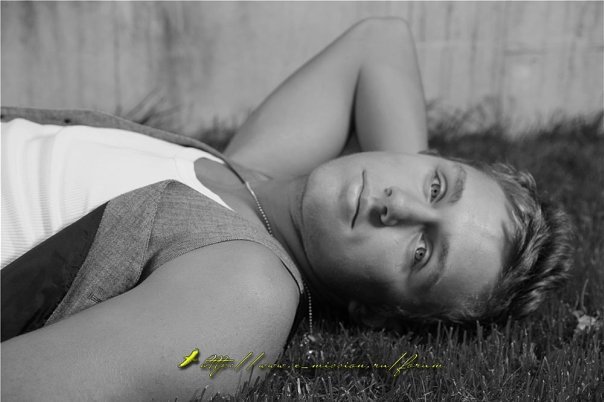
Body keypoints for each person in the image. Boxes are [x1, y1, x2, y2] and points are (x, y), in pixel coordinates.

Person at [0, 17, 573, 400]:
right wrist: (416, 173)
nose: (394, 205)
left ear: (376, 314)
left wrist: (427, 183)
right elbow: (380, 41)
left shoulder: (245, 288)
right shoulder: (251, 173)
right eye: (437, 187)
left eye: (421, 253)